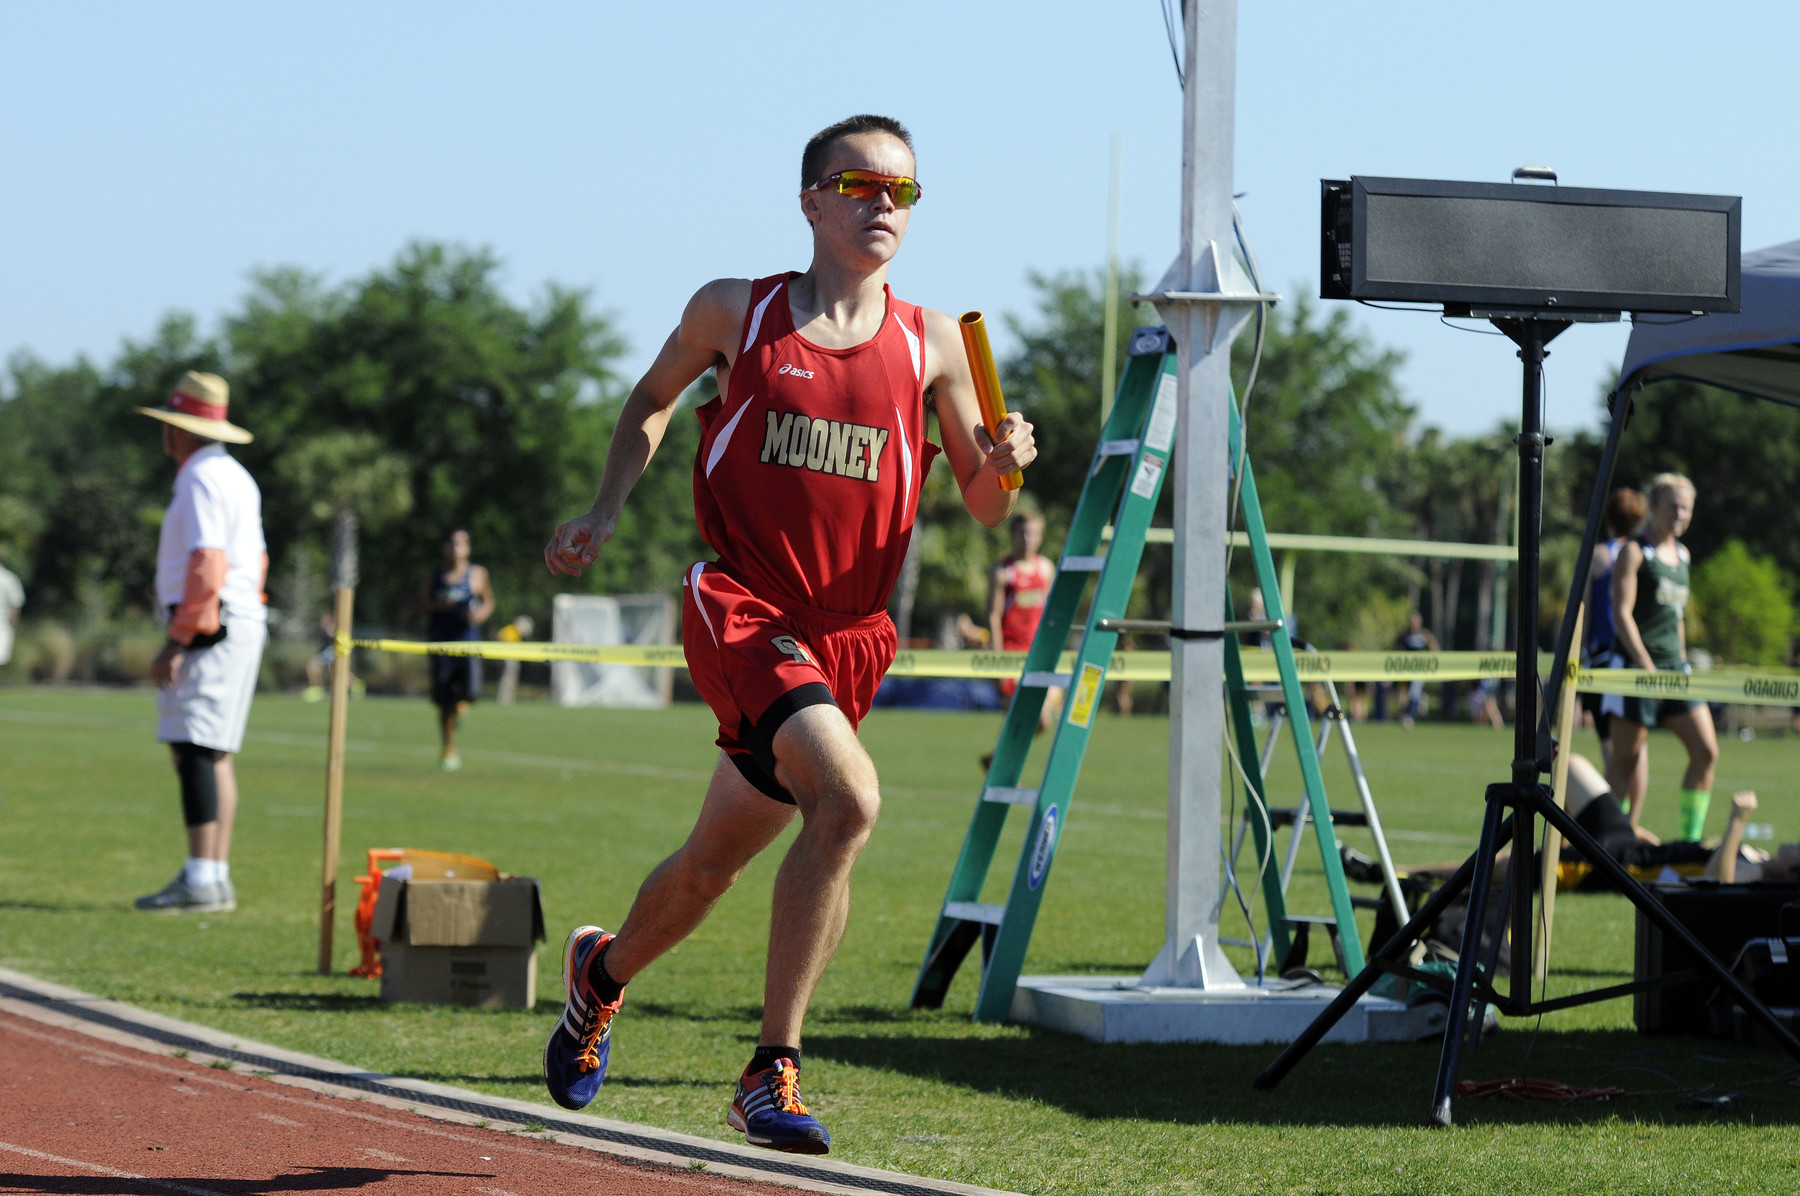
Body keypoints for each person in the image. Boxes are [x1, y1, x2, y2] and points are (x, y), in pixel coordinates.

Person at [540, 114, 1036, 1154]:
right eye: (861, 184)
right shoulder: (737, 310)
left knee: (710, 868)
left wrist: (1004, 463)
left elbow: (988, 506)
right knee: (850, 801)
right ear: (810, 200)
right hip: (745, 606)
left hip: (849, 638)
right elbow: (650, 399)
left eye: (903, 190)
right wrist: (604, 508)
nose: (884, 203)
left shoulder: (940, 342)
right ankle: (771, 1070)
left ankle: (601, 972)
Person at [134, 372, 267, 915]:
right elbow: (256, 560)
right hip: (239, 615)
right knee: (214, 752)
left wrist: (177, 639)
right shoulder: (235, 475)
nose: (165, 434)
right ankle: (212, 874)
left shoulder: (199, 478)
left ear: (181, 430)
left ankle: (202, 877)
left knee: (193, 747)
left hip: (215, 622)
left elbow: (207, 563)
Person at [1603, 473, 1718, 840]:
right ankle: (1607, 844)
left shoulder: (1683, 555)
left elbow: (1676, 618)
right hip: (1636, 669)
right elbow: (1621, 614)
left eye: (1686, 508)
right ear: (1653, 507)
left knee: (1706, 752)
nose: (1680, 515)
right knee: (1625, 762)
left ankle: (1689, 842)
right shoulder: (1635, 552)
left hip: (1675, 670)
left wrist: (1680, 663)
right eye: (1673, 507)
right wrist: (1646, 666)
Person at [1580, 488, 1650, 809]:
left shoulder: (1599, 556)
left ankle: (1618, 822)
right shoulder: (1644, 555)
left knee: (1611, 745)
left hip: (1604, 660)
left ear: (1609, 521)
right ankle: (1631, 820)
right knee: (1637, 744)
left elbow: (1583, 610)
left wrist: (1576, 656)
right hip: (1634, 657)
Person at [980, 511, 1058, 766]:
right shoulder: (1003, 571)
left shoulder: (1046, 568)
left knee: (1042, 721)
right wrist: (997, 658)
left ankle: (996, 761)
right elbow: (993, 616)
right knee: (1020, 718)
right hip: (1010, 654)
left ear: (1041, 536)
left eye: (1033, 533)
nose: (1028, 539)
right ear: (1012, 535)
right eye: (1023, 533)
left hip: (1036, 655)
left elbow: (1049, 614)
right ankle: (1004, 772)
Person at [418, 529, 493, 771]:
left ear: (467, 548)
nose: (455, 550)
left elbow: (488, 602)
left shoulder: (477, 574)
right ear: (444, 548)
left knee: (471, 693)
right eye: (451, 544)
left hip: (468, 644)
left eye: (460, 544)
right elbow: (419, 606)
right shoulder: (434, 576)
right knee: (444, 700)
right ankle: (448, 747)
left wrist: (480, 614)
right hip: (441, 644)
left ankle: (460, 709)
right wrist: (439, 605)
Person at [1392, 610, 1438, 729]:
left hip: (1419, 669)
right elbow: (1397, 646)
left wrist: (1432, 658)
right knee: (1404, 693)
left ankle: (1409, 716)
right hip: (1406, 669)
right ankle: (1410, 709)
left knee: (1414, 692)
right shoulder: (1405, 634)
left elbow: (1434, 646)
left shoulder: (1424, 634)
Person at [0, 550, 23, 672]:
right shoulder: (9, 579)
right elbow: (16, 603)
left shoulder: (9, 579)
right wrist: (12, 622)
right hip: (3, 624)